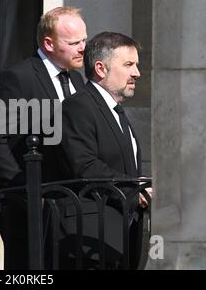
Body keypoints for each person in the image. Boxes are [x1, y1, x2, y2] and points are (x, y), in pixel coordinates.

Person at [0, 6, 87, 269]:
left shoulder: (76, 79)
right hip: (28, 212)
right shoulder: (17, 78)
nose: (82, 47)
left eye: (84, 40)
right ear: (49, 43)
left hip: (68, 210)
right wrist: (28, 189)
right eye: (74, 42)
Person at [59, 31, 152, 269]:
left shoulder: (115, 110)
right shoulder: (78, 105)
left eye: (136, 65)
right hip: (89, 241)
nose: (137, 73)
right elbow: (85, 165)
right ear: (101, 69)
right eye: (129, 64)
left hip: (121, 239)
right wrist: (134, 188)